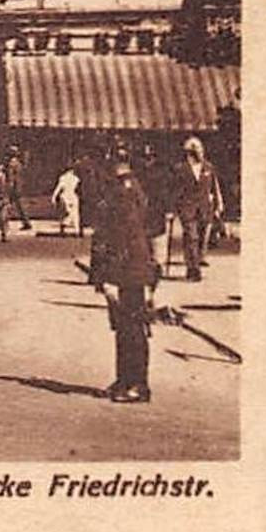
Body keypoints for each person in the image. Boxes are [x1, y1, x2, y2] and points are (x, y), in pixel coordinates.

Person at [97, 156, 157, 403]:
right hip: (133, 269)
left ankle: (137, 384)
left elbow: (121, 237)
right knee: (126, 327)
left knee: (131, 328)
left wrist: (108, 277)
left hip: (129, 271)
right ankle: (125, 379)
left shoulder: (123, 194)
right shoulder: (130, 189)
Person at [169, 137, 223, 282]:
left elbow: (214, 187)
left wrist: (219, 204)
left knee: (202, 239)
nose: (201, 153)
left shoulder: (209, 167)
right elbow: (174, 190)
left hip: (205, 208)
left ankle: (196, 262)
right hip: (187, 209)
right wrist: (172, 208)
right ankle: (193, 269)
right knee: (191, 237)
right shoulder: (180, 169)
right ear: (189, 153)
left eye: (201, 150)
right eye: (197, 151)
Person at [5, 145, 33, 231]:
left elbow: (11, 177)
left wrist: (9, 187)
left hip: (13, 187)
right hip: (19, 186)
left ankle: (3, 224)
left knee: (6, 205)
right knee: (20, 206)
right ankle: (26, 222)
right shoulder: (18, 163)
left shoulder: (11, 164)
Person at [52, 163, 82, 236]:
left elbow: (58, 188)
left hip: (65, 196)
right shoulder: (76, 179)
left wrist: (54, 197)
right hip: (73, 196)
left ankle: (64, 225)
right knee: (75, 214)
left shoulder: (62, 178)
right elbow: (79, 190)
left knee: (65, 213)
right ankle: (76, 230)